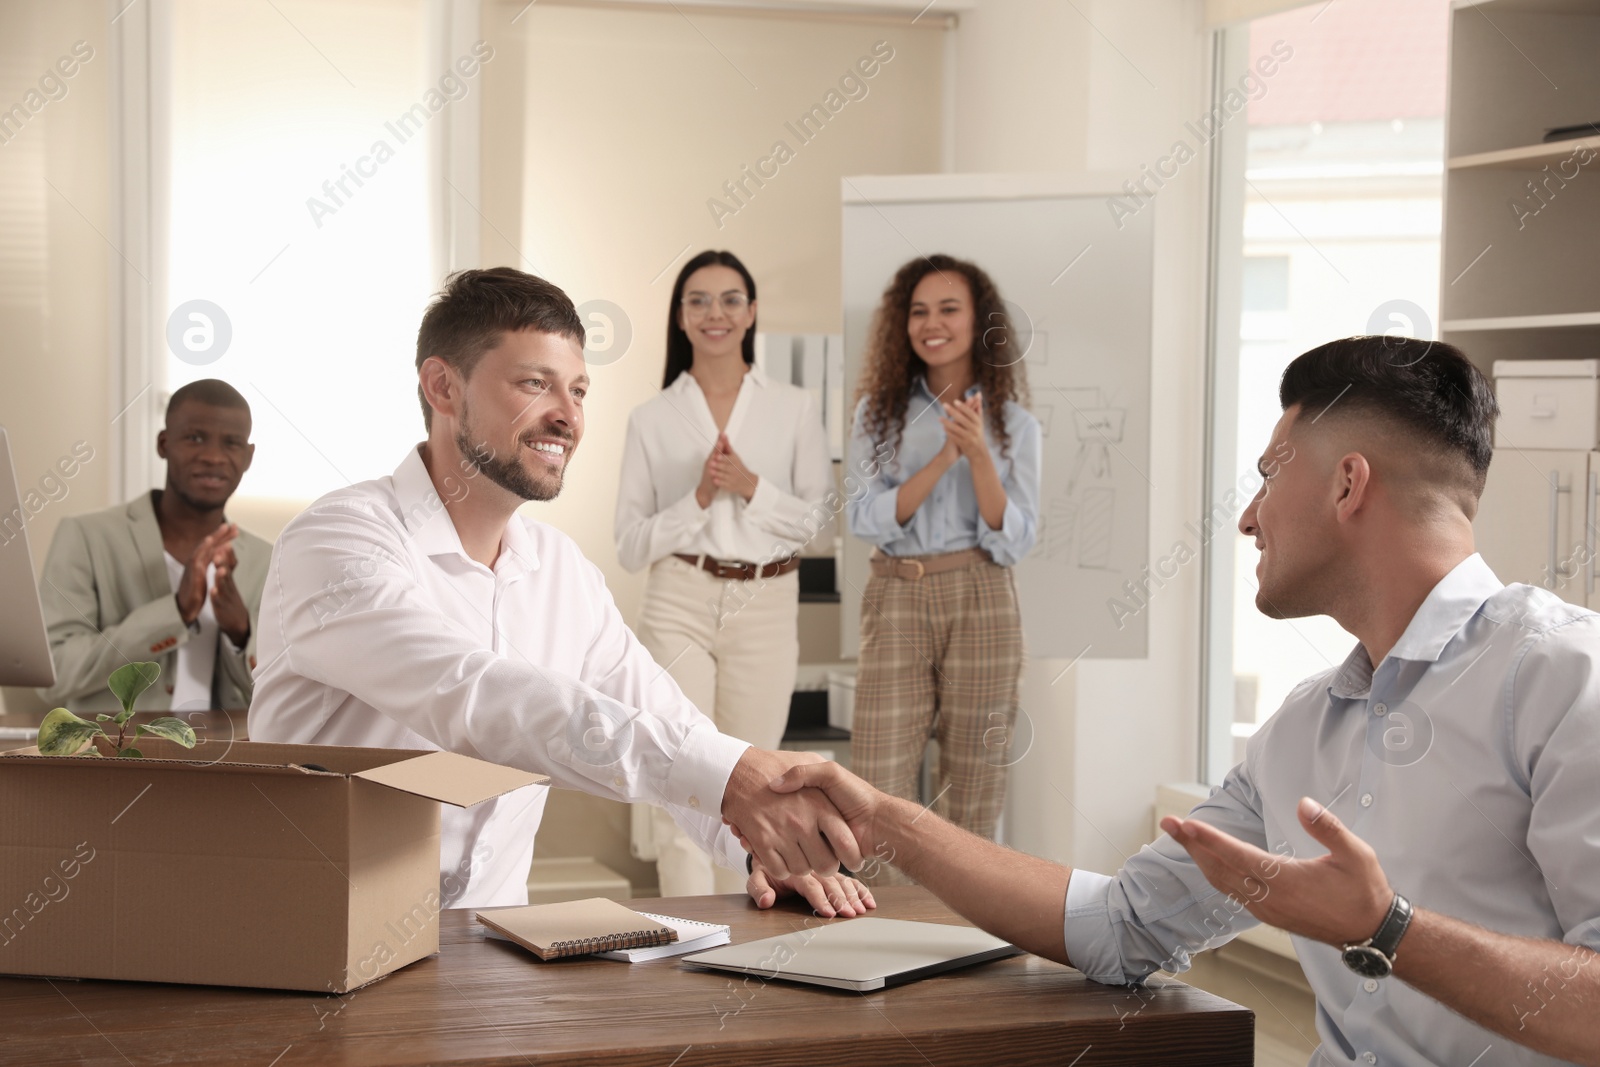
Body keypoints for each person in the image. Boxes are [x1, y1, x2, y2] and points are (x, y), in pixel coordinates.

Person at [768, 336, 1600, 1067]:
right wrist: (884, 819)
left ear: (1349, 484)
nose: (1247, 516)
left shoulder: (1565, 676)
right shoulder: (1300, 733)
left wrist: (1387, 929)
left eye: (1271, 474)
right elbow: (1121, 926)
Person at [249, 267, 873, 920]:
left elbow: (667, 719)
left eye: (577, 390)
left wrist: (765, 852)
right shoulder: (337, 540)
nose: (568, 416)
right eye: (534, 383)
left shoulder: (562, 571)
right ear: (442, 386)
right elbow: (474, 696)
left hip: (488, 954)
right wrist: (728, 776)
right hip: (323, 941)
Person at [615, 250, 833, 897]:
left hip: (766, 602)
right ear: (680, 317)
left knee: (754, 778)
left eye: (730, 299)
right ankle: (689, 936)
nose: (716, 313)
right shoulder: (651, 418)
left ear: (752, 312)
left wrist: (750, 486)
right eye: (699, 301)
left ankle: (743, 934)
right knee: (682, 770)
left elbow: (820, 523)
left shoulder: (794, 407)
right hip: (679, 596)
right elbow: (630, 544)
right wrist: (699, 502)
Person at [844, 253, 1040, 884]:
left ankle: (967, 937)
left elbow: (1014, 539)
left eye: (949, 309)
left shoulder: (1015, 424)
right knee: (876, 780)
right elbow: (866, 517)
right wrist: (942, 458)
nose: (932, 324)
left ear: (978, 321)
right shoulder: (878, 414)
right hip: (897, 592)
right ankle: (871, 934)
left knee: (976, 780)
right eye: (918, 311)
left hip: (982, 593)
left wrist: (979, 455)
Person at [38, 379, 267, 712]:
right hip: (115, 753)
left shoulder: (266, 560)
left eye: (231, 443)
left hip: (226, 755)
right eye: (195, 438)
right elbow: (54, 675)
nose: (214, 457)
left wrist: (241, 633)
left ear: (248, 457)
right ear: (164, 444)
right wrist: (174, 612)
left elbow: (277, 697)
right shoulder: (86, 536)